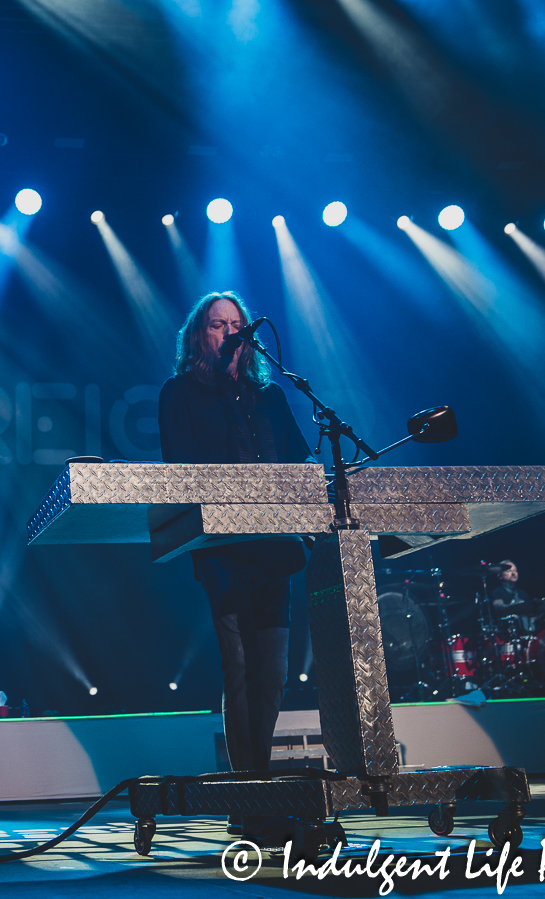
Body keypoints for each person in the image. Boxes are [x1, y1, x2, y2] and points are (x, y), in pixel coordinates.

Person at [158, 292, 313, 775]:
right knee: (240, 666)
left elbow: (301, 461)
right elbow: (179, 472)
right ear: (198, 335)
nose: (229, 333)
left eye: (236, 325)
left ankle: (257, 775)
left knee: (275, 673)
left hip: (276, 548)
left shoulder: (270, 395)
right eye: (217, 325)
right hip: (223, 550)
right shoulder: (178, 393)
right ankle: (248, 787)